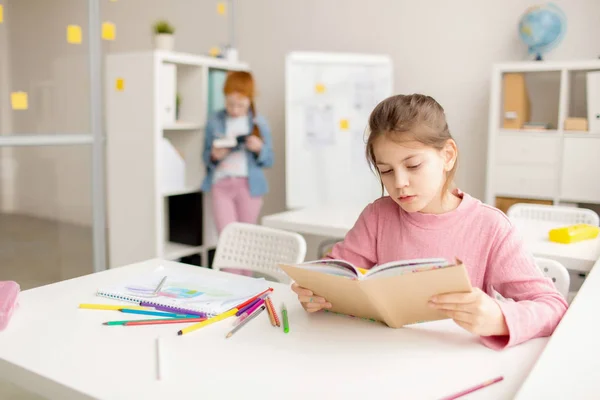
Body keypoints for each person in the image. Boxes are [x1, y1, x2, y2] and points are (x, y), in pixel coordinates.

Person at [291, 94, 567, 350]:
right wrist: (315, 293)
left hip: (453, 361)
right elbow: (335, 274)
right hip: (381, 355)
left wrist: (499, 318)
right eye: (386, 171)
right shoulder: (377, 216)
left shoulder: (490, 226)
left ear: (447, 155)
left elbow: (553, 306)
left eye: (413, 166)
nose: (399, 184)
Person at [201, 71, 274, 234]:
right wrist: (214, 156)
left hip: (249, 186)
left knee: (247, 237)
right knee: (226, 237)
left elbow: (269, 159)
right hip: (221, 183)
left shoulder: (259, 123)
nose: (234, 110)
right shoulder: (215, 121)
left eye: (240, 105)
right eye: (230, 104)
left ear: (250, 100)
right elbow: (205, 157)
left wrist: (259, 149)